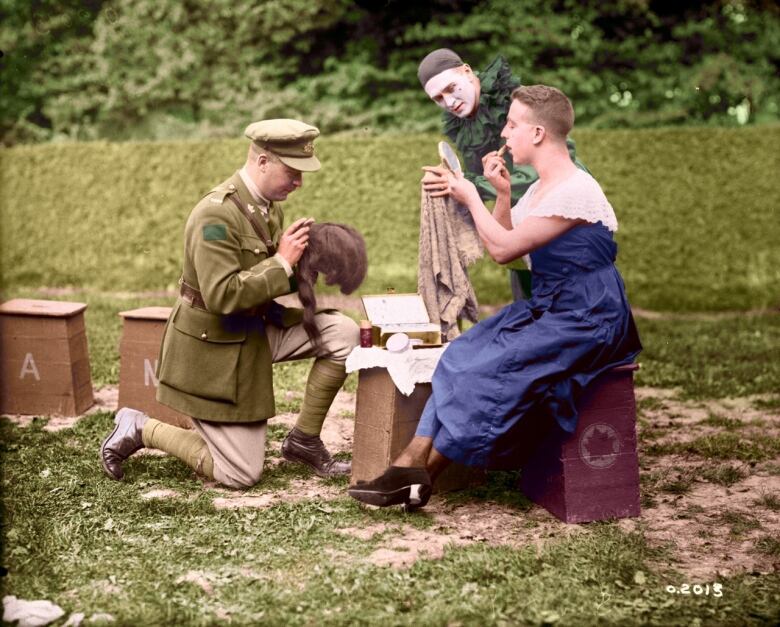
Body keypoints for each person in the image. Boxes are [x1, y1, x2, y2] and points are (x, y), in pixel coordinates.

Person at [349, 85, 641, 509]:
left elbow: (503, 249)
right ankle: (411, 468)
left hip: (589, 315)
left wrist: (470, 196)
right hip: (554, 307)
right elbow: (506, 249)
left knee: (488, 370)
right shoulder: (543, 190)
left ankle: (417, 472)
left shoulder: (576, 190)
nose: (504, 134)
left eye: (512, 125)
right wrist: (501, 195)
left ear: (538, 133)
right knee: (460, 352)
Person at [101, 119, 360, 488]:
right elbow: (222, 295)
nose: (299, 183)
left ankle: (303, 440)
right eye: (292, 172)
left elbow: (259, 283)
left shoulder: (269, 209)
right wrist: (282, 261)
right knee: (240, 473)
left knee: (343, 332)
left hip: (253, 331)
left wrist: (306, 263)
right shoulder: (215, 215)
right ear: (263, 161)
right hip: (215, 349)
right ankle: (142, 427)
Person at [417, 48, 588, 300]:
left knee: (568, 309)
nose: (449, 102)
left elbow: (552, 167)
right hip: (521, 226)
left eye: (451, 88)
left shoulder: (517, 103)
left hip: (563, 214)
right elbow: (490, 185)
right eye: (439, 98)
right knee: (528, 309)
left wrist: (467, 185)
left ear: (466, 71)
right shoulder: (467, 123)